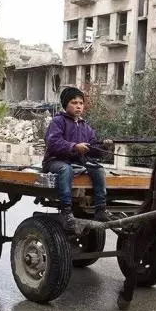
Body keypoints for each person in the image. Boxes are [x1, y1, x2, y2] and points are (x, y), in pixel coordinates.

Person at [43, 86, 113, 228]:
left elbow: (92, 147)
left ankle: (100, 209)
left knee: (98, 169)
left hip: (78, 163)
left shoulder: (85, 126)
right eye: (74, 103)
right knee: (65, 169)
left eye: (81, 103)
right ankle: (66, 211)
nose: (78, 106)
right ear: (66, 105)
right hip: (55, 161)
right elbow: (53, 143)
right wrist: (74, 147)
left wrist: (104, 146)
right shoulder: (58, 121)